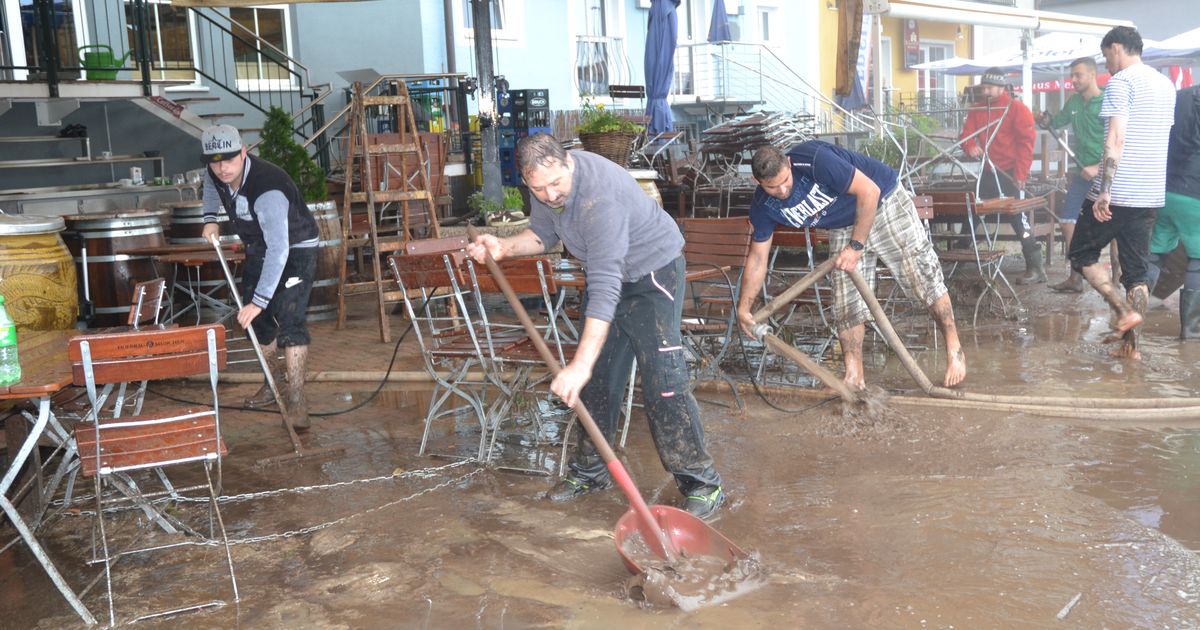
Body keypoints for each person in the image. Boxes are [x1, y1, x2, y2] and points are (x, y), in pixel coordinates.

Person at [465, 133, 726, 521]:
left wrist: (579, 364)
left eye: (556, 184)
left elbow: (606, 287)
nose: (550, 195)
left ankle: (703, 483)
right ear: (526, 180)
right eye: (539, 188)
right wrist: (505, 247)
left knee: (663, 381)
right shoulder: (546, 191)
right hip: (610, 276)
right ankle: (590, 472)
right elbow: (543, 235)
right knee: (598, 382)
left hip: (652, 274)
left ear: (568, 162)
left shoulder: (599, 198)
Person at [737, 142, 967, 390]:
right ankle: (854, 375)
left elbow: (869, 191)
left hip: (884, 202)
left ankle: (954, 348)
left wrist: (855, 246)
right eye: (772, 187)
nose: (782, 190)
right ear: (757, 181)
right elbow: (758, 257)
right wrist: (745, 307)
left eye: (785, 180)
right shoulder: (763, 205)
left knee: (923, 278)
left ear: (789, 164)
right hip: (844, 224)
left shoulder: (814, 160)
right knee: (847, 303)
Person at [200, 124, 320, 430]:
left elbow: (280, 249)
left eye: (229, 159)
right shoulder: (216, 171)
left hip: (295, 247)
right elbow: (210, 184)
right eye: (215, 161)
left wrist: (260, 300)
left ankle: (296, 401)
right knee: (255, 320)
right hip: (260, 245)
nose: (222, 168)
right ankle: (273, 382)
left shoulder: (268, 189)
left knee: (290, 324)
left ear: (244, 152)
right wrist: (210, 219)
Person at [1068, 26, 1175, 360]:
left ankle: (1120, 310)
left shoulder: (1121, 82)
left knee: (1081, 254)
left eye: (1106, 56)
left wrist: (1105, 191)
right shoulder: (1166, 84)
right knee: (1136, 272)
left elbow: (1116, 137)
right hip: (1151, 193)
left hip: (1120, 191)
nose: (1107, 65)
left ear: (1116, 48)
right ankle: (1132, 348)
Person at [960, 68, 1043, 284]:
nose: (985, 91)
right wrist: (970, 147)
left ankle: (1035, 266)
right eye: (983, 87)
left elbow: (1026, 144)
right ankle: (958, 257)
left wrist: (1021, 173)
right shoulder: (977, 110)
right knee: (972, 211)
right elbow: (966, 136)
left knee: (1017, 217)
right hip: (989, 171)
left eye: (989, 87)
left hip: (1011, 172)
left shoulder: (1017, 109)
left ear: (1002, 87)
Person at [1038, 57, 1105, 293]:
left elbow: (1119, 141)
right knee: (1067, 221)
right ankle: (1075, 275)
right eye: (1072, 76)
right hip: (1081, 173)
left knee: (1115, 225)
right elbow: (1056, 121)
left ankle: (1119, 278)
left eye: (1078, 75)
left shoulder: (1107, 100)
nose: (1073, 80)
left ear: (1092, 75)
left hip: (1107, 173)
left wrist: (1099, 168)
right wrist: (1046, 120)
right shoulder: (1074, 101)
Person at [1148, 84, 1200, 339]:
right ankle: (1191, 330)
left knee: (1155, 253)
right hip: (1195, 193)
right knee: (1198, 261)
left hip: (1164, 189)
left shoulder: (1177, 96)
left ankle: (1130, 312)